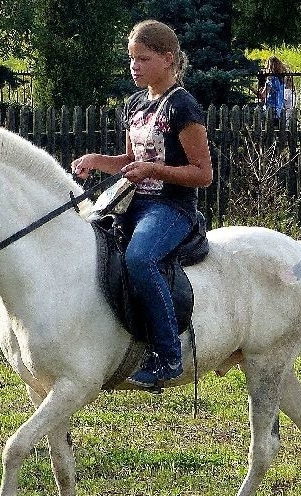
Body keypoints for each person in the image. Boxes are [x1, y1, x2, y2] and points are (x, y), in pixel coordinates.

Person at [71, 19, 213, 388]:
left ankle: (168, 355)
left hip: (171, 209)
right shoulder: (135, 103)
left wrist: (154, 169)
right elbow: (129, 162)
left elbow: (202, 173)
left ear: (168, 59)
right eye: (132, 59)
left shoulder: (183, 106)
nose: (135, 66)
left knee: (140, 258)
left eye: (143, 59)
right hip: (130, 202)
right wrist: (95, 161)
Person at [256, 55, 286, 124]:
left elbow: (263, 96)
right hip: (279, 109)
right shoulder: (282, 79)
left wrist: (253, 89)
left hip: (270, 109)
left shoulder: (271, 79)